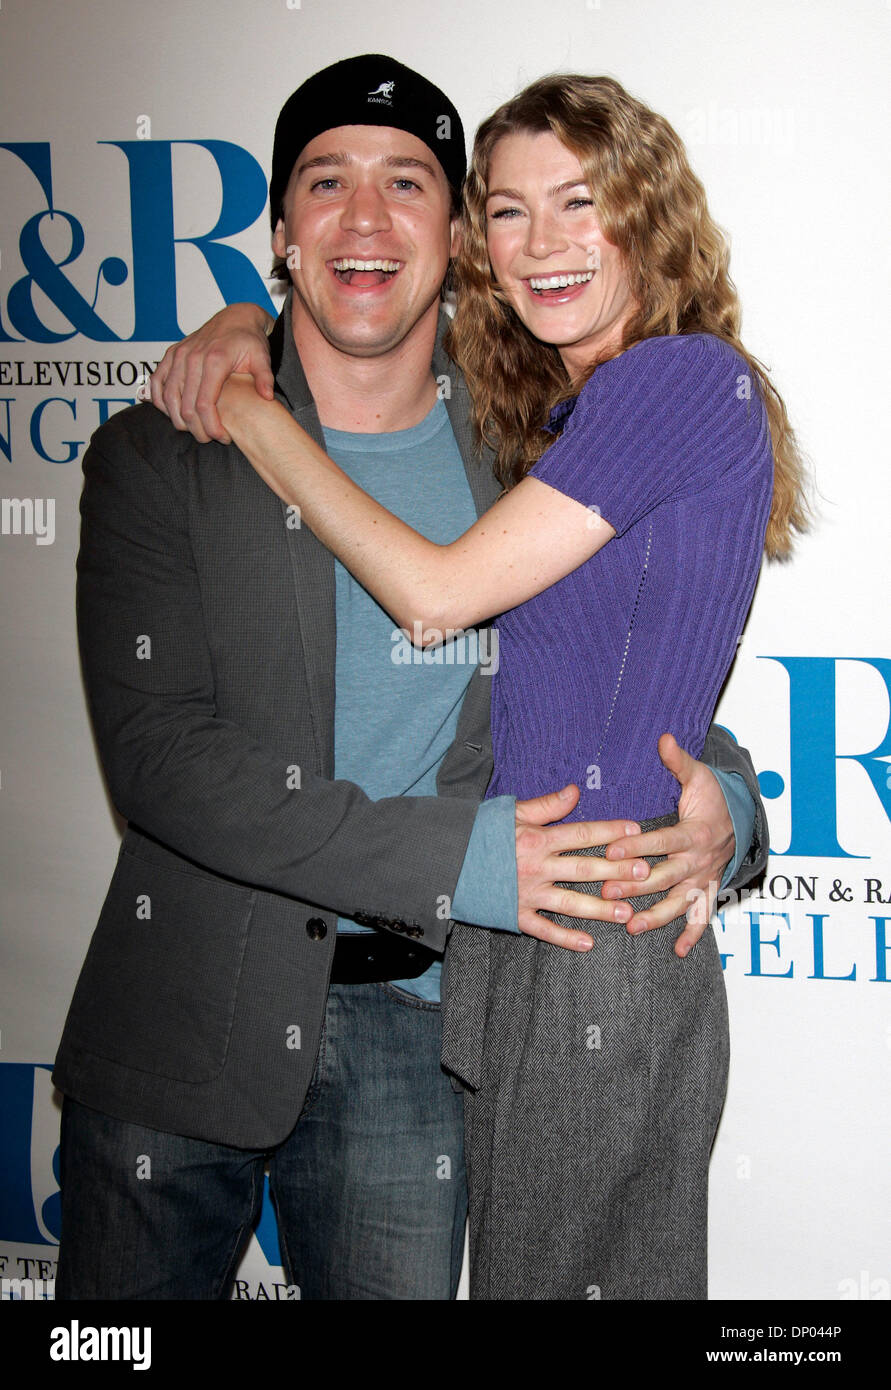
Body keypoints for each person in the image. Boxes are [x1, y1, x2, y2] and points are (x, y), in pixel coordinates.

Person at [54, 55, 767, 1302]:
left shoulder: (528, 439)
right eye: (326, 182)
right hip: (184, 1023)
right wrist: (238, 353)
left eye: (409, 184)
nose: (367, 219)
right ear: (280, 232)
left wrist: (731, 803)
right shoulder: (160, 449)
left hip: (430, 1034)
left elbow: (630, 672)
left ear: (452, 240)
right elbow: (161, 764)